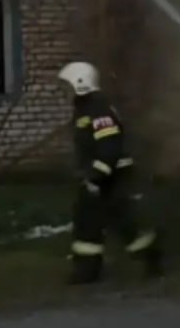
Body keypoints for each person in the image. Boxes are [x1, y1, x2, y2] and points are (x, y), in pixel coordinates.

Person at [57, 61, 163, 285]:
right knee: (93, 221)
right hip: (101, 176)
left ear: (80, 84)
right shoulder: (85, 109)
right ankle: (88, 270)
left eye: (67, 86)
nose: (64, 92)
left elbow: (110, 146)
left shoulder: (98, 109)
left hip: (111, 177)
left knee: (117, 221)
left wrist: (96, 177)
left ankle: (150, 258)